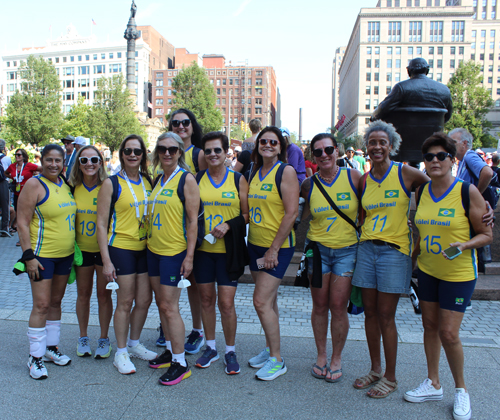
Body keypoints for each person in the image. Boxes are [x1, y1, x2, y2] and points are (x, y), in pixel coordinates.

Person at [404, 133, 492, 420]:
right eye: (428, 157)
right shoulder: (422, 192)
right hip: (429, 271)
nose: (434, 161)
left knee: (448, 333)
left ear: (452, 161)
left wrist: (464, 245)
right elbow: (421, 232)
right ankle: (433, 382)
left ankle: (461, 391)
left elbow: (487, 234)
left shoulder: (467, 192)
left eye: (441, 156)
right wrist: (413, 260)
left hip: (459, 273)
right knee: (430, 327)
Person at [351, 120, 429, 398]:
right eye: (372, 142)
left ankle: (391, 377)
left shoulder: (406, 173)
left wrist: (419, 217)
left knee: (386, 315)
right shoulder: (364, 180)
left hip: (394, 253)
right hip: (366, 249)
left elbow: (434, 187)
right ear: (366, 147)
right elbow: (362, 214)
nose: (377, 147)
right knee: (369, 314)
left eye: (382, 142)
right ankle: (375, 369)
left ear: (391, 146)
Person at [300, 133, 361, 382]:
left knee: (338, 306)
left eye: (328, 150)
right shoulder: (308, 184)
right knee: (320, 305)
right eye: (318, 152)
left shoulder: (354, 177)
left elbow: (373, 206)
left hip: (347, 251)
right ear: (312, 156)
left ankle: (336, 358)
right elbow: (294, 212)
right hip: (318, 251)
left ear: (337, 151)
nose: (324, 155)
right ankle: (321, 355)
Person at [96, 134, 157, 375]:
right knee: (125, 301)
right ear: (121, 154)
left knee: (144, 300)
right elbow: (101, 224)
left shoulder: (148, 181)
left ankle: (133, 343)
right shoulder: (111, 183)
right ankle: (120, 352)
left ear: (144, 156)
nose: (132, 155)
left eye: (137, 151)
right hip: (120, 248)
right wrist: (106, 261)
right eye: (128, 151)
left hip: (145, 248)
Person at [17, 144, 76, 380]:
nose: (53, 164)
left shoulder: (65, 184)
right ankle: (35, 357)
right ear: (42, 161)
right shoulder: (34, 184)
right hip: (41, 257)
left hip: (66, 256)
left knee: (55, 302)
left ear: (64, 163)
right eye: (49, 160)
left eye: (58, 161)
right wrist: (28, 256)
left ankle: (51, 348)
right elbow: (22, 222)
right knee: (41, 305)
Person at [145, 131, 200, 385]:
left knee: (169, 306)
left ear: (180, 152)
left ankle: (180, 362)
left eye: (172, 149)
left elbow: (192, 221)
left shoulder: (186, 179)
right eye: (162, 149)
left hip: (173, 253)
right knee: (161, 304)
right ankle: (170, 349)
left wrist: (189, 257)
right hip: (153, 250)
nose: (167, 153)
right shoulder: (158, 178)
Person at [193, 132, 249, 375]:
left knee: (226, 303)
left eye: (217, 150)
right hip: (203, 252)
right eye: (208, 151)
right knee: (206, 300)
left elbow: (247, 216)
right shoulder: (196, 179)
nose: (213, 154)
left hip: (228, 252)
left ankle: (230, 350)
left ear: (226, 151)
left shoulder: (238, 180)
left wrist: (229, 224)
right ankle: (211, 347)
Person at [247, 126, 299, 380]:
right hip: (255, 244)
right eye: (263, 141)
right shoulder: (256, 171)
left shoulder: (285, 171)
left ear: (281, 147)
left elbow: (291, 213)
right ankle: (270, 350)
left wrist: (273, 249)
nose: (267, 144)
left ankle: (278, 360)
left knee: (260, 301)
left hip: (276, 247)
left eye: (273, 142)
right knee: (270, 301)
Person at [168, 109, 207, 354]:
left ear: (192, 126)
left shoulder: (200, 154)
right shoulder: (165, 153)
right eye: (176, 123)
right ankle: (168, 325)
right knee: (165, 282)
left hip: (192, 226)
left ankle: (197, 329)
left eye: (186, 122)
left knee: (192, 281)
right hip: (169, 228)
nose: (181, 126)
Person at [68, 145, 113, 359]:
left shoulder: (108, 185)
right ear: (78, 163)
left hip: (103, 251)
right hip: (82, 251)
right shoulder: (71, 187)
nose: (89, 164)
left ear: (101, 162)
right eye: (84, 160)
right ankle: (83, 336)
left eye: (94, 159)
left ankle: (104, 338)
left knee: (104, 295)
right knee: (83, 295)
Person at [449, 128, 495, 272]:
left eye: (453, 142)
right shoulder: (463, 161)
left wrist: (476, 197)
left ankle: (473, 269)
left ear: (464, 144)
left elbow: (487, 172)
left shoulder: (469, 156)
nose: (450, 145)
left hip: (473, 210)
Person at [371, 57, 453, 123]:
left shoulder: (401, 87)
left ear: (409, 71)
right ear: (427, 70)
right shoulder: (445, 90)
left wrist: (373, 116)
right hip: (434, 138)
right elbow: (447, 116)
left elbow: (382, 110)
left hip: (404, 138)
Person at [5, 149, 42, 245]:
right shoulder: (12, 166)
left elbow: (41, 169)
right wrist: (12, 178)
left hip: (28, 194)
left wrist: (36, 178)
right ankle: (22, 238)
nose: (17, 156)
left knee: (28, 216)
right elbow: (6, 173)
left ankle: (30, 237)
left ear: (24, 156)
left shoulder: (29, 165)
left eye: (19, 155)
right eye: (16, 155)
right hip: (17, 195)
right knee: (20, 217)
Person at [0, 139, 12, 237]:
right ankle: (5, 228)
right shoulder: (6, 158)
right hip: (3, 183)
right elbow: (9, 172)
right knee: (5, 206)